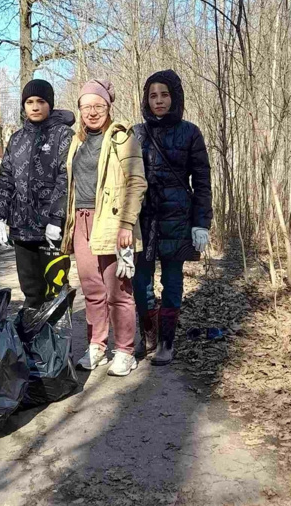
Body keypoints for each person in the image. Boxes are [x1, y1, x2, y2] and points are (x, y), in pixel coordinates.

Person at [61, 79, 147, 376]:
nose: (92, 112)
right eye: (86, 107)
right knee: (92, 289)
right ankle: (97, 345)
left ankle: (125, 350)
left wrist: (126, 224)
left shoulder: (123, 139)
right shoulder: (77, 140)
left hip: (111, 221)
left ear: (108, 107)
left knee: (118, 290)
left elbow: (136, 182)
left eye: (98, 106)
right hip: (80, 220)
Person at [133, 69, 213, 365]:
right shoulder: (136, 133)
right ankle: (149, 334)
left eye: (164, 94)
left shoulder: (190, 132)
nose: (159, 101)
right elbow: (124, 179)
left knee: (172, 281)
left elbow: (202, 181)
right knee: (140, 281)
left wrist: (201, 223)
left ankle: (167, 341)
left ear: (175, 96)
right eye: (153, 95)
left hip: (178, 218)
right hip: (143, 219)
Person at [0, 79, 74, 310]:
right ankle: (33, 344)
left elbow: (65, 178)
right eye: (29, 102)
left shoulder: (64, 135)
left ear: (50, 104)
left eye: (40, 101)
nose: (35, 107)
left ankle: (58, 342)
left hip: (52, 231)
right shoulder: (16, 139)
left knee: (56, 289)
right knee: (31, 291)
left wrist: (57, 219)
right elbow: (6, 180)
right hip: (22, 228)